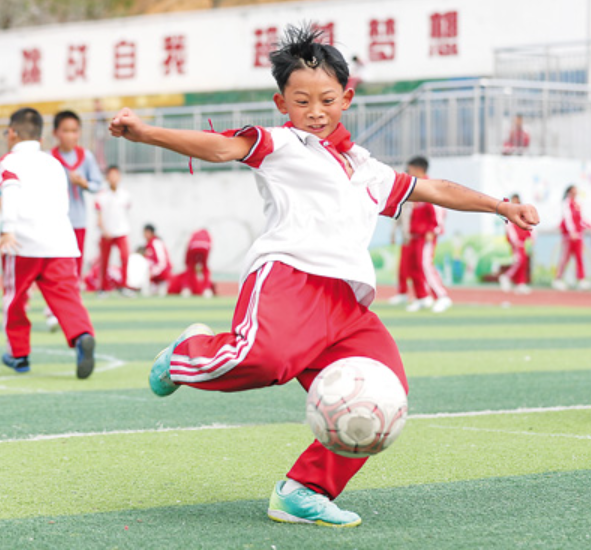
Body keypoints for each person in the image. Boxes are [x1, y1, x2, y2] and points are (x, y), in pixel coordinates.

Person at [109, 24, 539, 528]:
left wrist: (501, 207)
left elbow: (435, 189)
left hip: (348, 303)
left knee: (383, 395)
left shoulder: (368, 169)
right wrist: (145, 132)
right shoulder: (280, 144)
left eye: (327, 100)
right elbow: (220, 148)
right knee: (262, 360)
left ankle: (303, 490)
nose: (315, 111)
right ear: (282, 103)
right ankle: (185, 355)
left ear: (347, 99)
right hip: (289, 277)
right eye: (302, 101)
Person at [0, 108, 96, 378]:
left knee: (15, 299)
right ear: (41, 139)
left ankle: (19, 354)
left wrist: (7, 229)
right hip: (60, 242)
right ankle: (82, 335)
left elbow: (10, 190)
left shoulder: (7, 162)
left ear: (11, 133)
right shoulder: (54, 164)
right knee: (66, 297)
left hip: (22, 243)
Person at [51, 110, 103, 277]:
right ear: (55, 133)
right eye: (65, 131)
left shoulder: (85, 157)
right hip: (55, 220)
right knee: (56, 263)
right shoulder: (50, 158)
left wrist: (83, 183)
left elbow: (97, 184)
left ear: (79, 132)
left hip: (78, 219)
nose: (70, 135)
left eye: (74, 131)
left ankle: (74, 292)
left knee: (76, 262)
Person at [403, 157, 453, 313]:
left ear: (418, 170)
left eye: (410, 169)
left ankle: (442, 296)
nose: (408, 172)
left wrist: (434, 230)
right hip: (415, 235)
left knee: (425, 265)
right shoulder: (416, 187)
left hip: (426, 235)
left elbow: (439, 209)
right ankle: (422, 297)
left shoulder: (429, 186)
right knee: (413, 267)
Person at [94, 165, 132, 295]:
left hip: (121, 232)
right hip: (106, 233)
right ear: (107, 178)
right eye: (111, 175)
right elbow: (99, 216)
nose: (114, 178)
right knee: (104, 261)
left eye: (116, 175)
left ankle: (124, 286)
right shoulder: (101, 196)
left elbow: (126, 212)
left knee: (125, 258)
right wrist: (104, 230)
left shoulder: (125, 194)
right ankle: (103, 288)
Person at [553, 184, 591, 290]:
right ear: (569, 192)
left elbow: (581, 219)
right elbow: (568, 218)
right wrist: (572, 231)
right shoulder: (566, 203)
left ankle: (581, 279)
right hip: (569, 236)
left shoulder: (577, 204)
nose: (576, 192)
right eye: (574, 190)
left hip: (578, 236)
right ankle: (558, 279)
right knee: (565, 258)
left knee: (579, 257)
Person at [499, 193, 534, 294]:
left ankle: (520, 283)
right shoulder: (509, 213)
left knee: (524, 262)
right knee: (519, 261)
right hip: (516, 242)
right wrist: (514, 241)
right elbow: (509, 228)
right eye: (514, 201)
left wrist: (530, 237)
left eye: (517, 201)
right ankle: (506, 277)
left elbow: (527, 225)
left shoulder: (522, 213)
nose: (516, 203)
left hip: (523, 242)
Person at [168, 229, 214, 297]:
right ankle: (206, 289)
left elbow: (188, 252)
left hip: (193, 248)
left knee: (190, 269)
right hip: (205, 248)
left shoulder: (194, 235)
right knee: (204, 268)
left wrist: (187, 263)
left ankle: (186, 288)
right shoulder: (207, 236)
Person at [388, 200, 413, 305]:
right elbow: (397, 217)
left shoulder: (419, 203)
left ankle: (423, 296)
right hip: (407, 239)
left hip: (417, 237)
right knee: (403, 268)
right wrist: (393, 234)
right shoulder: (403, 202)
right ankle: (403, 293)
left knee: (418, 269)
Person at [143, 224, 172, 295]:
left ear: (152, 233)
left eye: (147, 232)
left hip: (162, 276)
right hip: (154, 278)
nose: (145, 234)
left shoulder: (156, 242)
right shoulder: (147, 244)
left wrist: (152, 273)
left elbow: (162, 262)